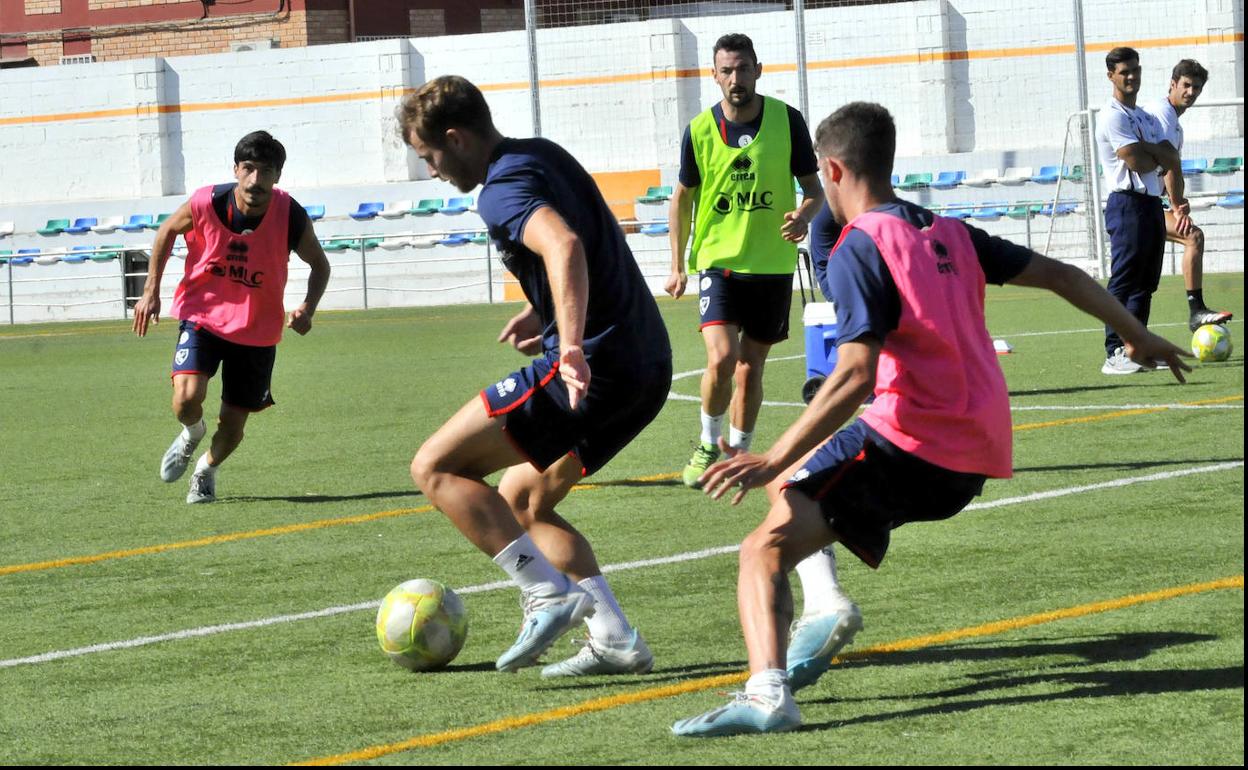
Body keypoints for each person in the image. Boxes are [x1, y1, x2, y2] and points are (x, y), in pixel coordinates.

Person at [671, 102, 1191, 737]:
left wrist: (769, 455)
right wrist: (1138, 335)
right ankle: (818, 616)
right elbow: (1062, 273)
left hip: (910, 441)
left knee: (761, 549)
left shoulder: (857, 247)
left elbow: (856, 374)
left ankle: (767, 693)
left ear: (831, 170)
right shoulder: (951, 230)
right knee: (796, 490)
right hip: (976, 454)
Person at [398, 76, 673, 676]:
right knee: (524, 499)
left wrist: (568, 344)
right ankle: (614, 636)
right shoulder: (542, 153)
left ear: (455, 137)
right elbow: (587, 245)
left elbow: (566, 246)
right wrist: (544, 309)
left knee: (435, 466)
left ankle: (544, 592)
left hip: (591, 367)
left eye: (430, 157)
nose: (432, 171)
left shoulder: (498, 191)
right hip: (646, 366)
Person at [133, 131, 330, 504]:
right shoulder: (206, 202)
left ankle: (205, 470)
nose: (256, 180)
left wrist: (309, 306)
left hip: (257, 330)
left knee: (234, 426)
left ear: (278, 176)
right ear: (236, 169)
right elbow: (166, 232)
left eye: (266, 171)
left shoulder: (290, 214)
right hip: (203, 316)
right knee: (186, 399)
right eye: (249, 169)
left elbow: (319, 265)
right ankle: (191, 433)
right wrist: (150, 291)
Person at [666, 32, 825, 486]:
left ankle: (738, 451)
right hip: (718, 262)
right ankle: (705, 442)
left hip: (772, 265)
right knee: (721, 359)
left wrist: (804, 215)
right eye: (726, 70)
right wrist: (677, 265)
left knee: (750, 368)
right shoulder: (698, 130)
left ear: (758, 69)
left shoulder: (787, 120)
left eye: (743, 68)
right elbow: (681, 199)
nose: (736, 77)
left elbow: (814, 190)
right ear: (714, 76)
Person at [1095, 46, 1184, 375]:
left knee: (1146, 282)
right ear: (1111, 76)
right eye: (1124, 72)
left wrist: (1154, 153)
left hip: (1150, 203)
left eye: (1135, 70)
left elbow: (1170, 157)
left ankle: (1137, 348)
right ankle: (1114, 350)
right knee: (1124, 278)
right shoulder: (1113, 115)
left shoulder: (1145, 117)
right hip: (1126, 203)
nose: (1131, 76)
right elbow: (1137, 160)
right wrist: (1154, 153)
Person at [1141, 58, 1234, 332]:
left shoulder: (1171, 120)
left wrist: (1175, 201)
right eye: (1186, 85)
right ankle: (1196, 311)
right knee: (1192, 236)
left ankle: (1131, 339)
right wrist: (1178, 207)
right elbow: (1168, 164)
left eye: (1196, 88)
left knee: (1142, 279)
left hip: (1148, 203)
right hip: (1137, 204)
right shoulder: (1163, 115)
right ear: (1172, 84)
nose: (1191, 92)